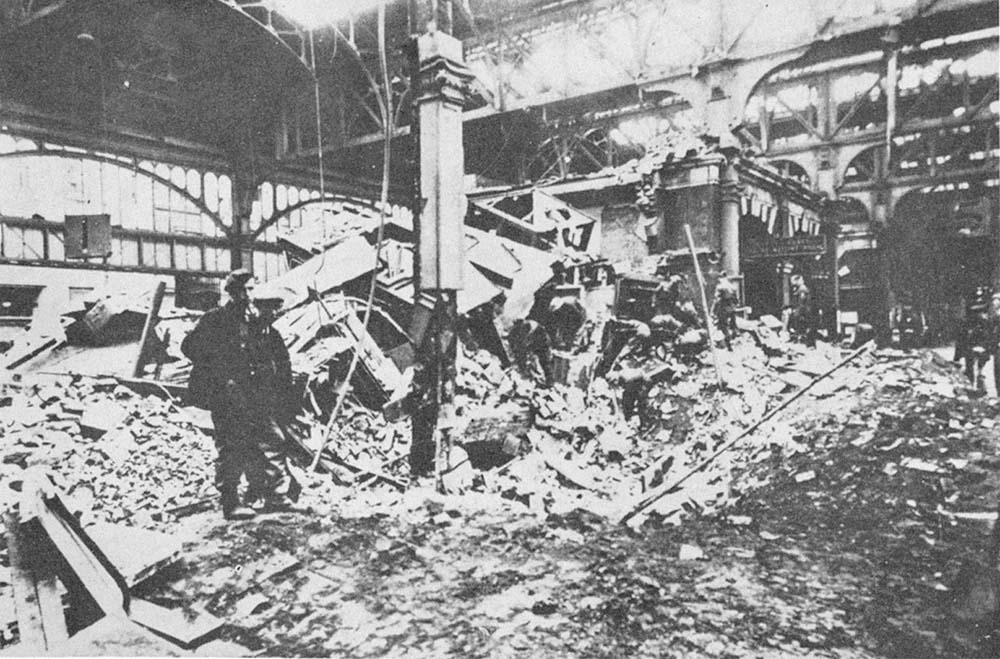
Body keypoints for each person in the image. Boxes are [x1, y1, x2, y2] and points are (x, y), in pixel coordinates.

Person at [181, 269, 300, 520]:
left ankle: (275, 496)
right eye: (245, 290)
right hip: (228, 397)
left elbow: (269, 354)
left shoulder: (255, 320)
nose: (249, 295)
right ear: (233, 293)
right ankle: (231, 502)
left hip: (255, 395)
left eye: (253, 289)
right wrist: (222, 376)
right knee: (232, 446)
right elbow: (190, 347)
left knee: (272, 439)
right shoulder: (216, 319)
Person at [711, 273, 739, 350]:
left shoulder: (720, 287)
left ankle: (729, 343)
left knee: (723, 326)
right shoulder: (732, 286)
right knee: (733, 324)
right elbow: (736, 299)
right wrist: (734, 307)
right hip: (732, 308)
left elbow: (716, 300)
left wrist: (713, 311)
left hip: (723, 308)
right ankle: (735, 338)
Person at [787, 274, 816, 347]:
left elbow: (801, 302)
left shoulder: (802, 289)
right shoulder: (798, 289)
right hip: (804, 311)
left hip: (804, 312)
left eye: (793, 281)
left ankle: (806, 343)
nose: (792, 283)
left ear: (797, 280)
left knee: (803, 327)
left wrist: (796, 312)